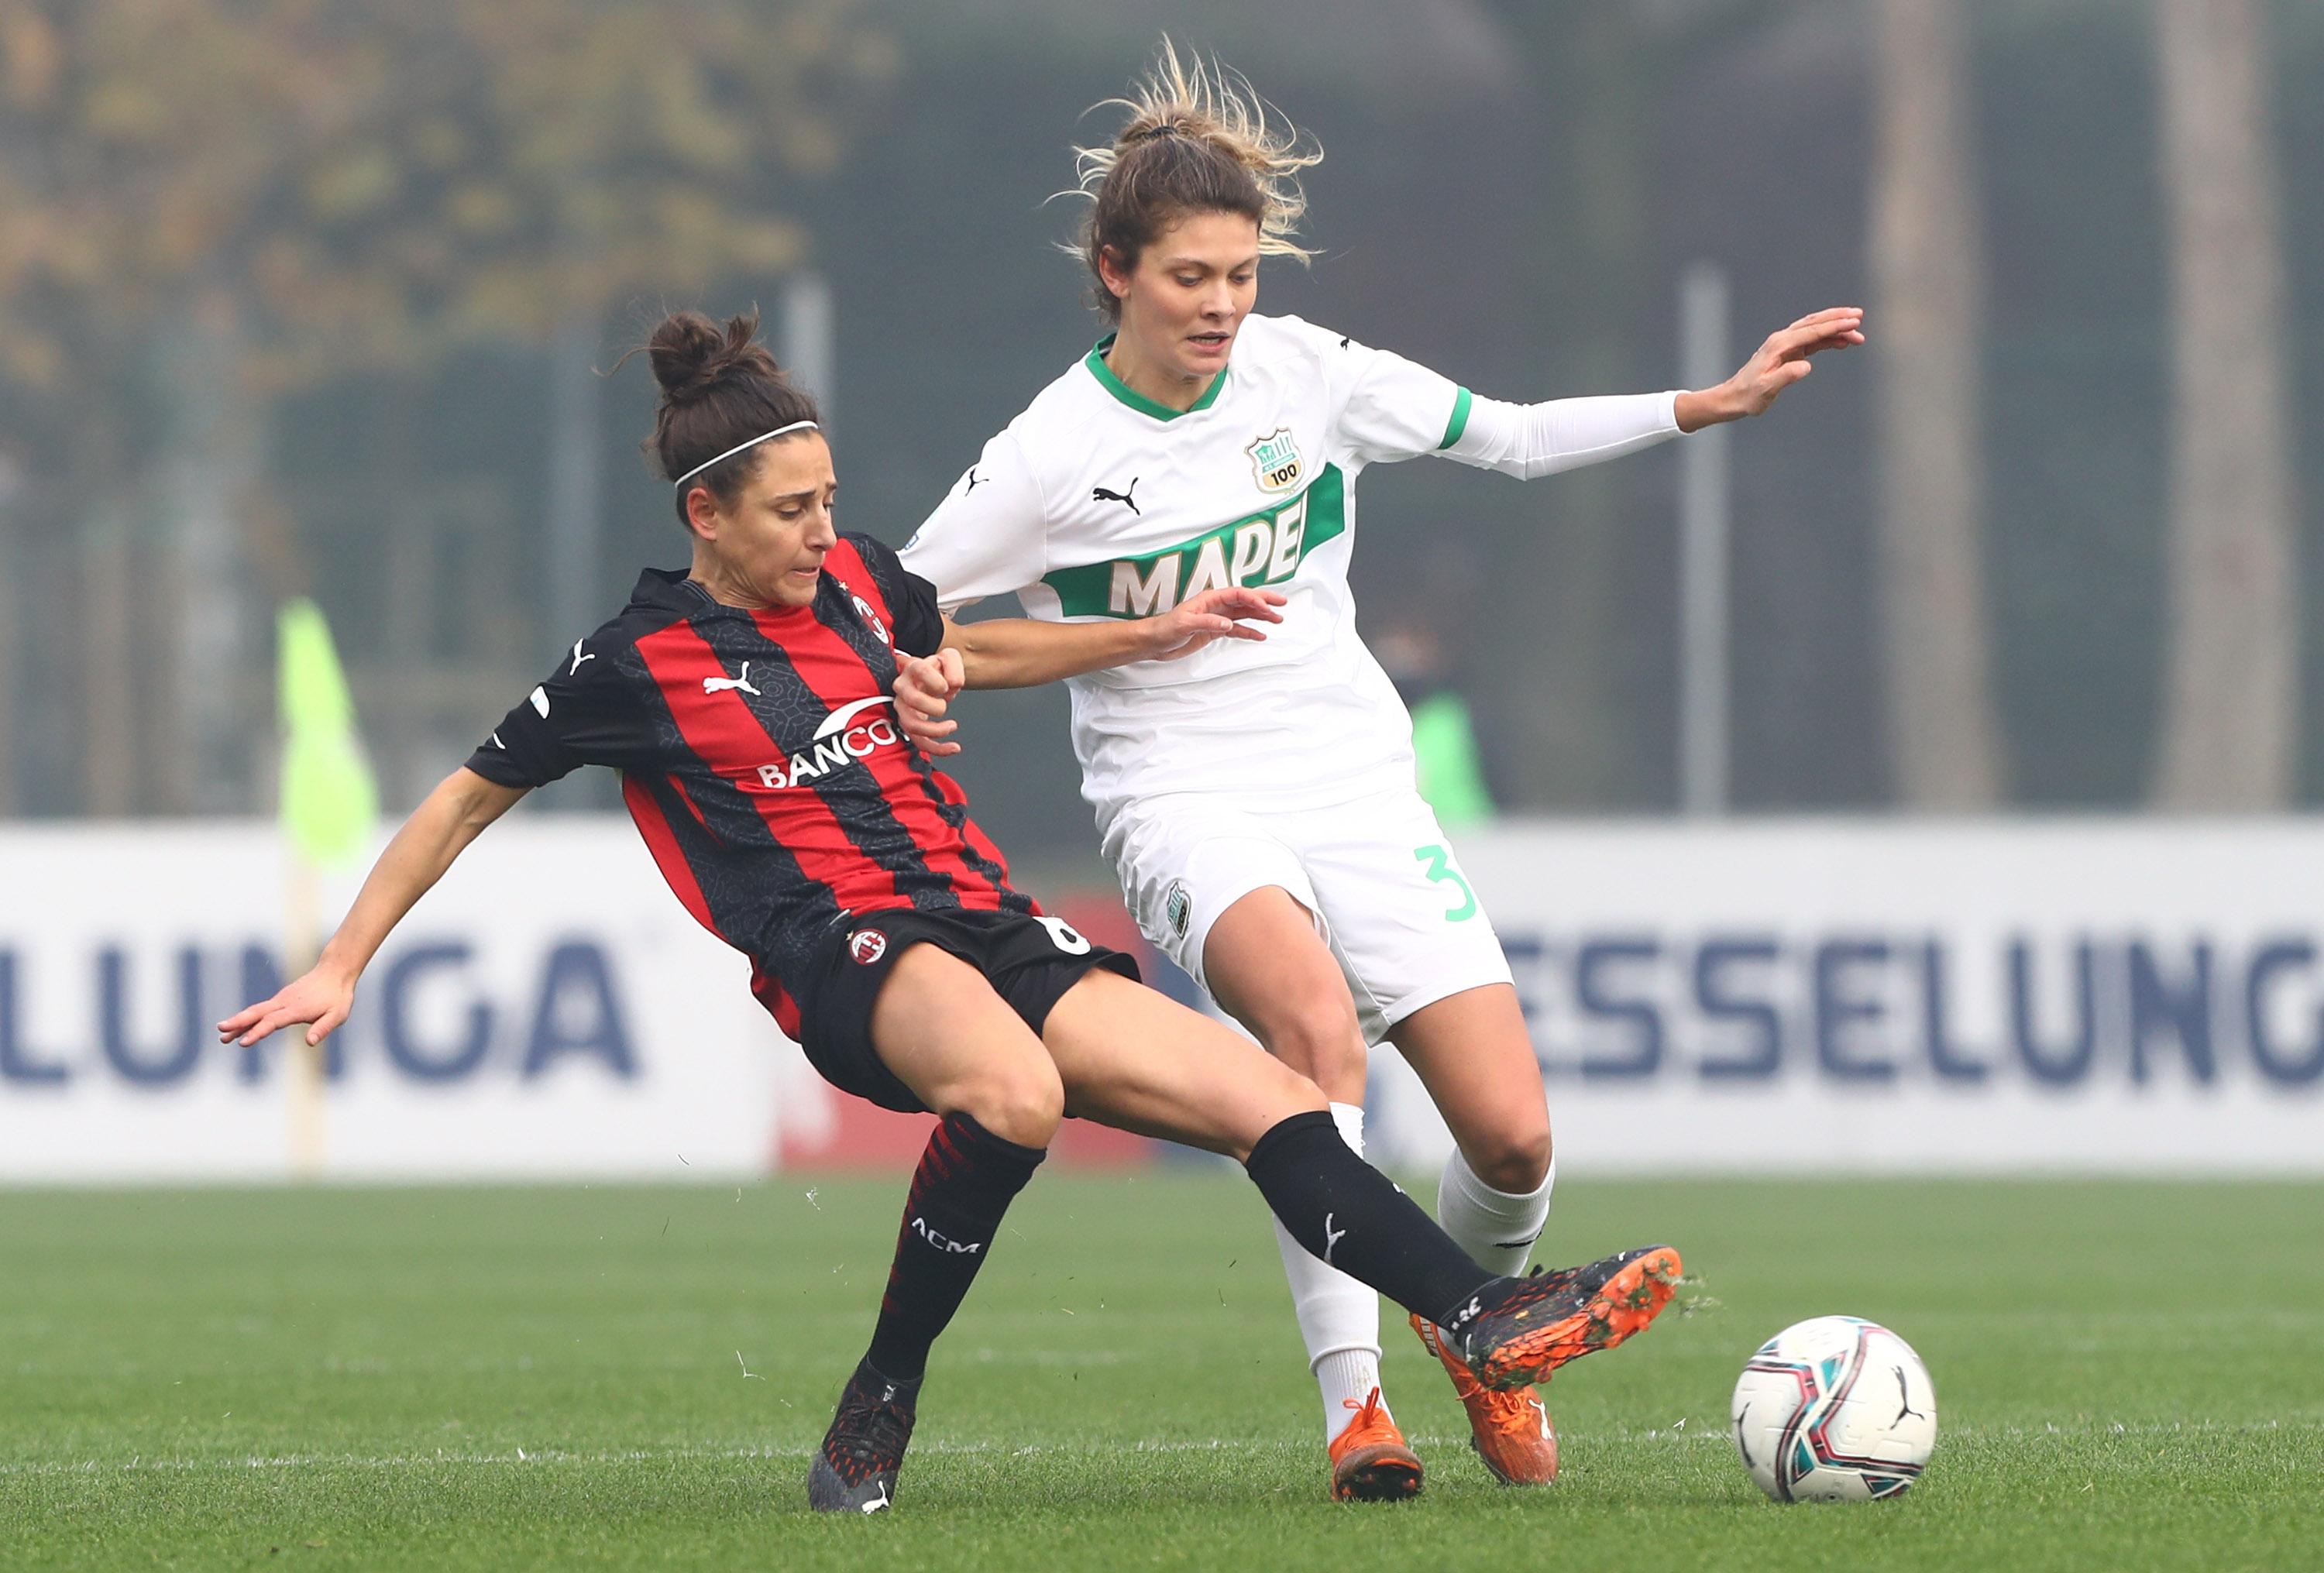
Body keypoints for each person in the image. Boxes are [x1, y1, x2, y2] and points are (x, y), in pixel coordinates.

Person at [218, 309, 1683, 1516]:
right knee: (1017, 1089)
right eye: (791, 512)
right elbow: (466, 795)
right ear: (704, 513)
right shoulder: (635, 661)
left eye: (830, 502)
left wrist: (1149, 630)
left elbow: (974, 644)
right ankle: (887, 1388)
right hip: (838, 948)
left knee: (1272, 1095)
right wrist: (344, 959)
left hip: (980, 917)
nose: (823, 532)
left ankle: (1482, 1319)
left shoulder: (862, 585)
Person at [891, 43, 1862, 1498]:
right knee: (1313, 1041)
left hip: (1350, 780)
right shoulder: (1051, 452)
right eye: (1188, 278)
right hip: (1180, 800)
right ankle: (1361, 1415)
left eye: (1238, 275)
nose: (1221, 306)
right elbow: (895, 605)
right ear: (1114, 273)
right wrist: (930, 673)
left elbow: (1515, 439)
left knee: (1515, 1139)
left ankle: (1480, 1343)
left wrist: (1700, 407)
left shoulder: (1309, 375)